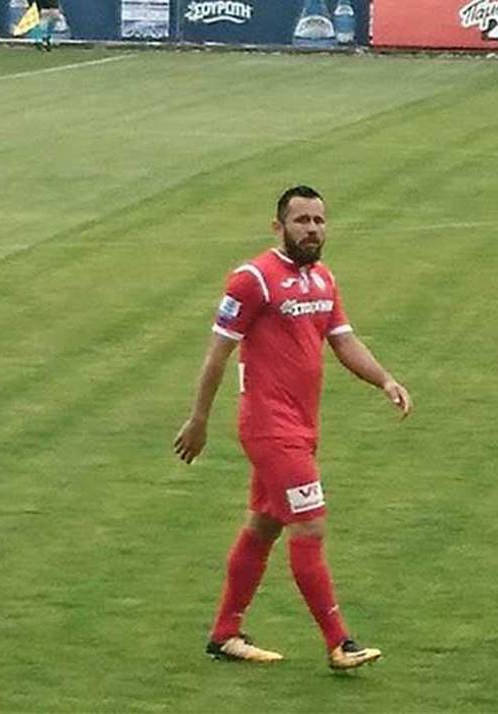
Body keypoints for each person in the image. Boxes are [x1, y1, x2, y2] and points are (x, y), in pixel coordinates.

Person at [174, 185, 413, 670]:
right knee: (310, 524)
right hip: (270, 428)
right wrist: (199, 419)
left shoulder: (323, 279)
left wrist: (385, 380)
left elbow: (344, 341)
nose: (312, 229)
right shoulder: (253, 279)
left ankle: (225, 634)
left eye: (319, 221)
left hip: (303, 426)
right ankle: (339, 643)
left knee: (264, 525)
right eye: (301, 220)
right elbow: (217, 353)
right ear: (278, 226)